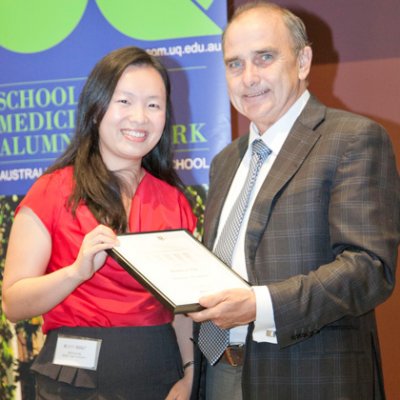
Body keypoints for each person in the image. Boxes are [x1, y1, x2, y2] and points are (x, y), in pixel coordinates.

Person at [189, 2, 400, 400]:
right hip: (217, 373)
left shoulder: (353, 139)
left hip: (310, 379)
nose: (248, 78)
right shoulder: (225, 162)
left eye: (264, 58)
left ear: (302, 61)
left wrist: (260, 305)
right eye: (234, 64)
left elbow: (369, 269)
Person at [2, 46, 197, 400]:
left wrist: (188, 375)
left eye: (153, 105)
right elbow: (13, 303)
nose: (139, 117)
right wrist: (76, 272)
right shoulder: (51, 191)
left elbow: (183, 308)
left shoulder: (174, 202)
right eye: (124, 101)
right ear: (96, 108)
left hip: (160, 374)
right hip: (75, 379)